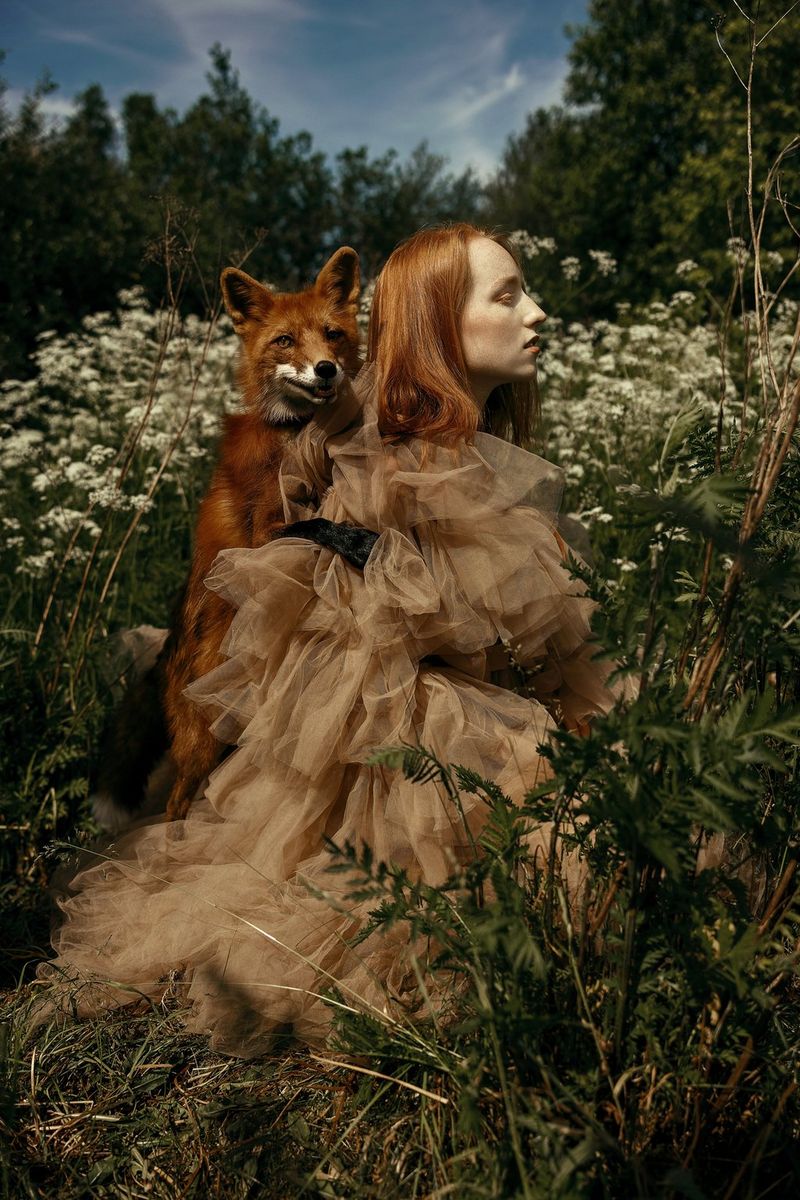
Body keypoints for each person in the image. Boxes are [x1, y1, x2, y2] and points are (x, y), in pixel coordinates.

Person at [34, 223, 623, 1057]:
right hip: (398, 742)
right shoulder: (386, 447)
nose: (538, 312)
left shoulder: (479, 450)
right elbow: (343, 616)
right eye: (509, 294)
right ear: (438, 319)